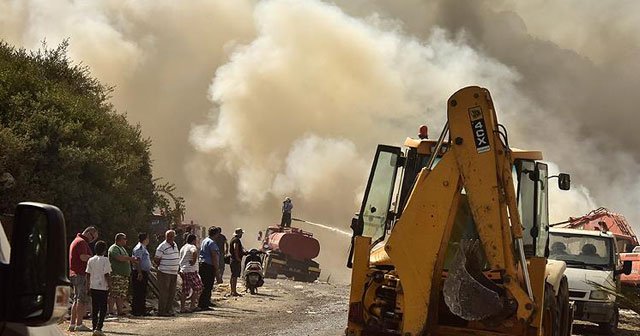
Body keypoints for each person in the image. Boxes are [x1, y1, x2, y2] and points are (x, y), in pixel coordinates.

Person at [69, 226, 98, 332]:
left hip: (75, 273)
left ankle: (72, 324)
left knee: (76, 299)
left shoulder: (76, 240)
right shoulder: (81, 242)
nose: (92, 240)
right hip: (80, 274)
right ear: (89, 233)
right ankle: (79, 324)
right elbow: (82, 257)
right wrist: (95, 259)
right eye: (93, 237)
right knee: (81, 299)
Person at [86, 240, 111, 336]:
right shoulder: (105, 260)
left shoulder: (91, 260)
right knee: (103, 308)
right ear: (104, 250)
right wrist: (110, 286)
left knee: (95, 307)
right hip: (103, 287)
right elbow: (107, 274)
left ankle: (94, 327)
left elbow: (87, 274)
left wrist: (87, 286)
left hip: (93, 286)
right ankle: (99, 327)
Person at [108, 233, 136, 316]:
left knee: (121, 294)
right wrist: (130, 258)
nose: (126, 240)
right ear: (119, 239)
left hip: (123, 276)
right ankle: (111, 311)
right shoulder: (114, 248)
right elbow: (118, 258)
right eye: (124, 239)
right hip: (116, 275)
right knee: (114, 293)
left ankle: (120, 311)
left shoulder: (122, 248)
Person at [154, 230, 180, 316]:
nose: (170, 238)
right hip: (164, 272)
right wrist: (163, 266)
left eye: (172, 236)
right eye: (168, 236)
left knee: (172, 293)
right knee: (164, 292)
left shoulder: (175, 245)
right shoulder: (162, 246)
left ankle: (168, 310)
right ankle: (162, 311)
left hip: (174, 272)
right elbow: (156, 259)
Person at [179, 234, 203, 313]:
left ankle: (183, 308)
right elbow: (194, 252)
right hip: (191, 271)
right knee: (198, 287)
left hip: (184, 270)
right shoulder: (192, 246)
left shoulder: (183, 247)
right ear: (194, 240)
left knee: (185, 290)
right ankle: (192, 306)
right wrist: (193, 261)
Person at [198, 227, 220, 310]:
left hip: (203, 265)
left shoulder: (205, 240)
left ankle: (205, 302)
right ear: (216, 234)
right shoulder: (212, 243)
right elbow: (214, 256)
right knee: (208, 285)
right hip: (208, 266)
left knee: (204, 284)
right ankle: (204, 304)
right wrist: (217, 268)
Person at [131, 233, 151, 316]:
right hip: (139, 272)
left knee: (142, 291)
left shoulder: (143, 248)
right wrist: (139, 272)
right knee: (138, 291)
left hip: (143, 271)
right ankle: (137, 310)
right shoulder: (139, 248)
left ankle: (142, 309)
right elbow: (137, 261)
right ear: (145, 239)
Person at [229, 228, 246, 297]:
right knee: (235, 276)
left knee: (233, 275)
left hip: (233, 260)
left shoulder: (233, 239)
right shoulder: (236, 240)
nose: (242, 235)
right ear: (239, 234)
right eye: (241, 233)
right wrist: (238, 258)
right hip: (235, 260)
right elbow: (235, 248)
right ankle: (234, 291)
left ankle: (232, 291)